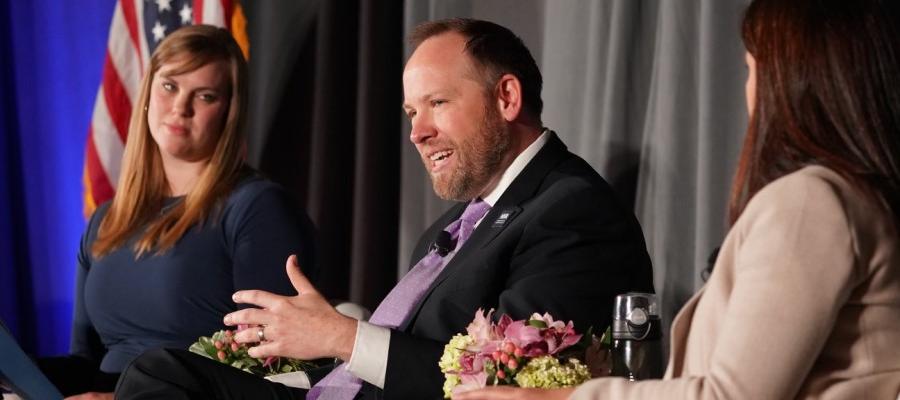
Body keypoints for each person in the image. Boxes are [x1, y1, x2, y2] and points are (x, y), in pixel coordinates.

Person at [115, 18, 655, 399]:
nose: (417, 132)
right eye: (410, 111)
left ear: (506, 98)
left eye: (437, 104)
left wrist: (340, 336)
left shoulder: (572, 211)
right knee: (164, 372)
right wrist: (311, 355)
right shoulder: (459, 221)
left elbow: (503, 385)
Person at [456, 0, 900, 399]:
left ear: (795, 79)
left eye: (752, 68)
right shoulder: (852, 198)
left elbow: (730, 395)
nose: (749, 91)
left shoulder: (810, 202)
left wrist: (567, 399)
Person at [37, 25, 316, 399]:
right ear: (149, 93)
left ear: (229, 112)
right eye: (169, 86)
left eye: (204, 96)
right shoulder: (105, 221)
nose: (180, 107)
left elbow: (274, 368)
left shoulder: (255, 208)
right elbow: (86, 363)